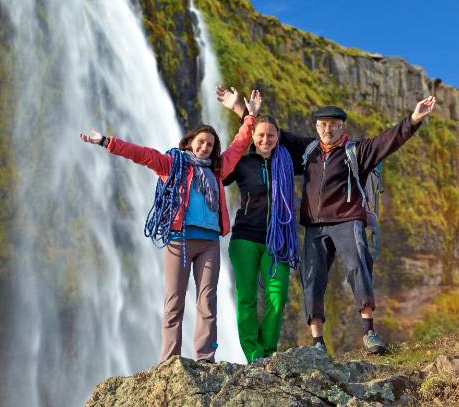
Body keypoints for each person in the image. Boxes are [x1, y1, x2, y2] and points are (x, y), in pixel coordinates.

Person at [219, 88, 437, 355]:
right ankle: (317, 342)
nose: (328, 129)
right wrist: (242, 112)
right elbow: (269, 133)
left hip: (346, 219)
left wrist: (413, 119)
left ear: (342, 126)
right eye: (323, 125)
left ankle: (369, 332)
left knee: (357, 265)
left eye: (333, 125)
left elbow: (388, 141)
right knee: (311, 278)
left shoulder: (356, 151)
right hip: (312, 224)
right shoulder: (307, 150)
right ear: (316, 127)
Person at [79, 91, 259, 363]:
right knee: (174, 301)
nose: (205, 148)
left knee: (207, 301)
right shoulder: (172, 164)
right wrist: (106, 141)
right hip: (180, 240)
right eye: (201, 143)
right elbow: (141, 154)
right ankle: (169, 359)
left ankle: (205, 357)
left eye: (210, 145)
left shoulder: (218, 169)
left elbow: (239, 144)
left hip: (209, 242)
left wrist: (249, 117)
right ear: (189, 143)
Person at [221, 105, 302, 362]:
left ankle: (267, 351)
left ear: (278, 137)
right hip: (244, 238)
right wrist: (244, 115)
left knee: (276, 296)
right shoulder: (242, 164)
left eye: (271, 135)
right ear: (253, 138)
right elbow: (219, 174)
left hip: (277, 240)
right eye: (261, 135)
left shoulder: (288, 164)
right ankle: (253, 353)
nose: (266, 140)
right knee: (246, 298)